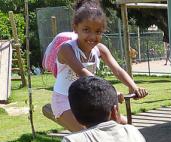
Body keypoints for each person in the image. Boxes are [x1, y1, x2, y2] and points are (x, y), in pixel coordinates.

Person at [50, 0, 147, 132]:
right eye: (86, 30)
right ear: (75, 28)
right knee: (89, 134)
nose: (92, 36)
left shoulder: (100, 49)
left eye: (98, 31)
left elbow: (118, 70)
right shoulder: (67, 49)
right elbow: (83, 73)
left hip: (88, 100)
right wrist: (110, 92)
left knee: (124, 126)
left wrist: (134, 87)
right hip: (64, 101)